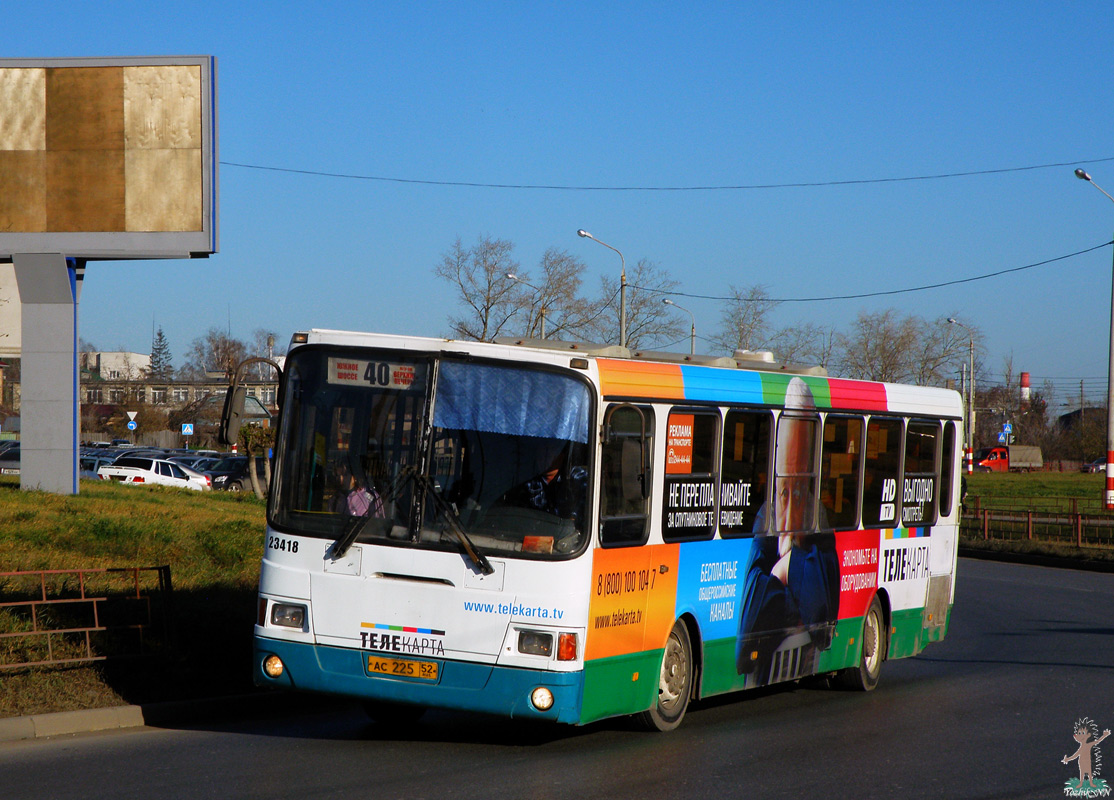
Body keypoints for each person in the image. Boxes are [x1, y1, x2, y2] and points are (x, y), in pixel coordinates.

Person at [736, 377, 840, 684]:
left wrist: (788, 566)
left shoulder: (820, 521)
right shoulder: (764, 518)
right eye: (784, 491)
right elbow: (745, 642)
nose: (792, 512)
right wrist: (788, 568)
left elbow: (821, 618)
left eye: (800, 491)